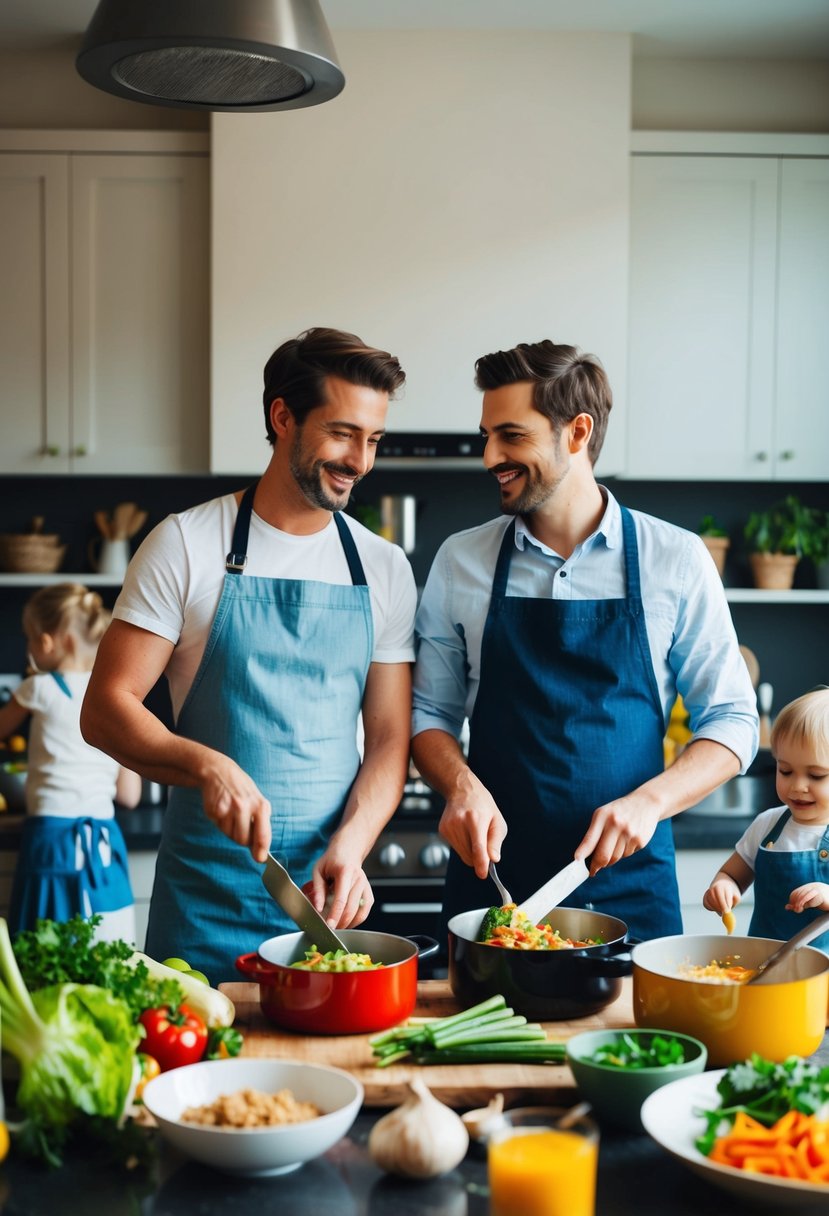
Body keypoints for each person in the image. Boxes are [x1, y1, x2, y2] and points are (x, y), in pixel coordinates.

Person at [81, 326, 416, 982]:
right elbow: (104, 708)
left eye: (372, 439)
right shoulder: (185, 544)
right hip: (202, 911)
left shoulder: (382, 567)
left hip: (321, 915)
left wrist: (352, 845)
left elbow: (387, 740)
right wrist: (206, 766)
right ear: (282, 417)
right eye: (342, 433)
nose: (360, 460)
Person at [411, 339, 759, 941]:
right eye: (486, 436)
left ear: (576, 432)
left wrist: (650, 803)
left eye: (511, 436)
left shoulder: (673, 559)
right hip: (493, 888)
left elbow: (732, 721)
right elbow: (427, 714)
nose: (490, 455)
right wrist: (459, 785)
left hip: (629, 889)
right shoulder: (460, 560)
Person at [0, 584, 141, 941]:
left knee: (45, 951)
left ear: (47, 642)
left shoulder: (39, 688)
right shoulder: (115, 697)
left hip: (51, 839)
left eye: (30, 639)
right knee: (105, 950)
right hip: (104, 842)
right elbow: (129, 796)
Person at [703, 687, 829, 950]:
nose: (797, 785)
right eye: (785, 771)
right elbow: (731, 874)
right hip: (764, 966)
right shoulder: (767, 825)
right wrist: (723, 887)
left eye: (816, 775)